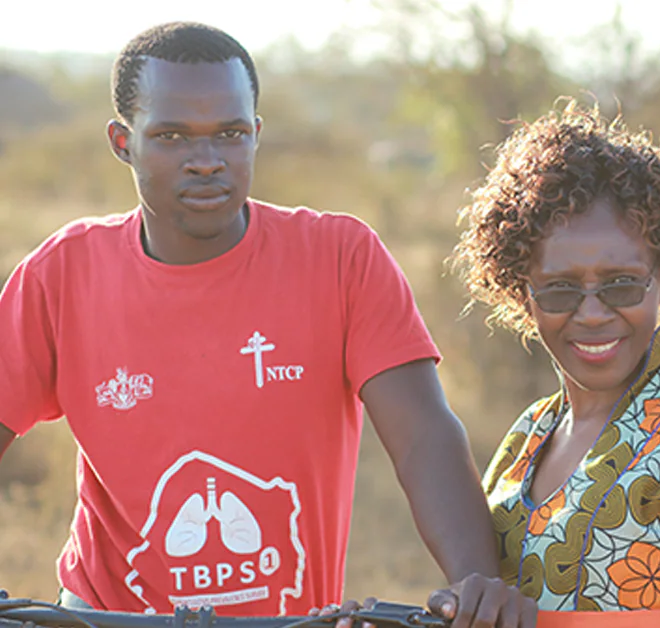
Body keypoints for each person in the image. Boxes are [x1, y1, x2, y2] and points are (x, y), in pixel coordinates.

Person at [0, 22, 533, 627]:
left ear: (255, 134)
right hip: (106, 620)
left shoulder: (340, 258)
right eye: (172, 136)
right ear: (124, 141)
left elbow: (423, 436)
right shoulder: (62, 274)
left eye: (229, 134)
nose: (206, 161)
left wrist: (475, 582)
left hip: (290, 621)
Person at [450, 101, 660, 628]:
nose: (592, 314)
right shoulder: (526, 439)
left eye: (621, 284)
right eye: (560, 289)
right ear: (523, 294)